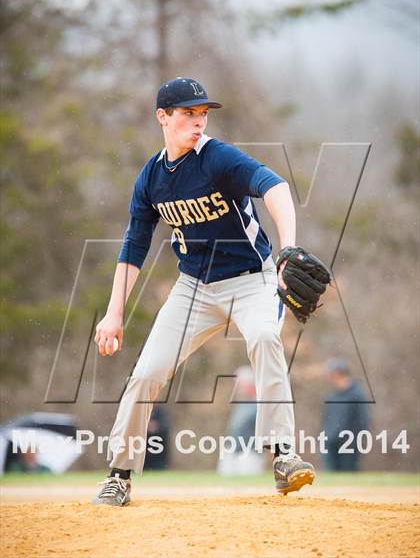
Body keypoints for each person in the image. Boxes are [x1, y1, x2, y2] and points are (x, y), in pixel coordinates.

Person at [92, 77, 315, 506]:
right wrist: (114, 312)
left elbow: (277, 188)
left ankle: (283, 457)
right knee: (146, 373)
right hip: (194, 287)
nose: (198, 122)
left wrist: (287, 248)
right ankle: (119, 475)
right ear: (163, 117)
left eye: (203, 114)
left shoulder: (218, 159)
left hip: (253, 279)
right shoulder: (152, 178)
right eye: (187, 114)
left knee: (266, 338)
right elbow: (134, 244)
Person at [322, 357, 370, 472]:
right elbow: (325, 419)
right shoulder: (332, 395)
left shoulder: (357, 394)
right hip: (330, 443)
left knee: (348, 473)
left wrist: (353, 440)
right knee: (331, 477)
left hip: (349, 444)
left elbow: (363, 421)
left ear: (338, 373)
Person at [217, 365, 265, 476]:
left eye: (241, 384)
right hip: (232, 451)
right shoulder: (241, 403)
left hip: (250, 453)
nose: (238, 387)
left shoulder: (260, 404)